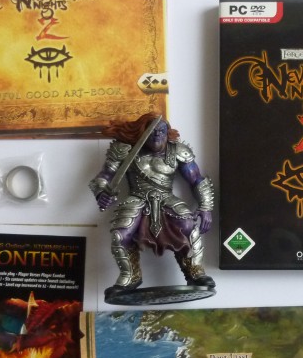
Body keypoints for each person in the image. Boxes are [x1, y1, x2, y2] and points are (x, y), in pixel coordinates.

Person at [89, 112, 215, 292]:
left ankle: (195, 272)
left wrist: (206, 206)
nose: (157, 134)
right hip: (137, 198)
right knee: (120, 234)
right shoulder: (125, 150)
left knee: (189, 226)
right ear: (143, 131)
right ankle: (130, 275)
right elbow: (104, 176)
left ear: (167, 132)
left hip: (167, 198)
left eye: (161, 130)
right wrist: (102, 192)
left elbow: (196, 179)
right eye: (152, 130)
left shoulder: (178, 151)